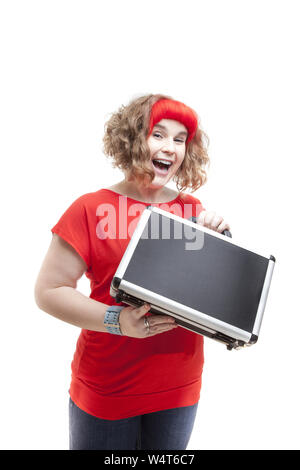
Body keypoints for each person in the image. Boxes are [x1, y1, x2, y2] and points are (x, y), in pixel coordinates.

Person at [34, 93, 230, 450]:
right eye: (159, 133)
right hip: (108, 387)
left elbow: (206, 297)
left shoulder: (192, 210)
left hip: (179, 387)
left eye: (180, 139)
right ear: (132, 138)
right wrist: (118, 321)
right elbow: (49, 291)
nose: (170, 146)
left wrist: (218, 244)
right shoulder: (90, 208)